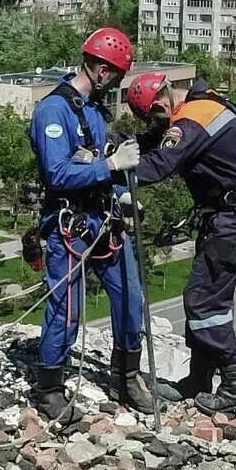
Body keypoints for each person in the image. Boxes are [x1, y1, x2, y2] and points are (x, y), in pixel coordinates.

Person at [124, 71, 236, 414]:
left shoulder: (191, 119)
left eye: (153, 119)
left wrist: (108, 169)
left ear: (161, 103)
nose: (155, 127)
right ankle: (197, 380)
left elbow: (159, 163)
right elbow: (154, 143)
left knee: (204, 302)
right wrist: (115, 143)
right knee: (204, 296)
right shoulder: (201, 107)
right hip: (234, 215)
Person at [29, 27, 149, 424]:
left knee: (132, 298)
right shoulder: (53, 111)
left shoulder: (94, 110)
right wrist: (112, 165)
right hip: (70, 225)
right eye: (114, 75)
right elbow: (59, 175)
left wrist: (118, 187)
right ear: (100, 69)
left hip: (104, 219)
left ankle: (126, 377)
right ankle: (49, 388)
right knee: (66, 312)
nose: (115, 84)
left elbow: (92, 160)